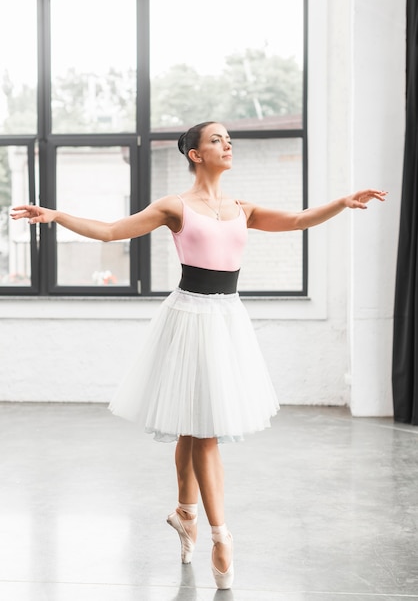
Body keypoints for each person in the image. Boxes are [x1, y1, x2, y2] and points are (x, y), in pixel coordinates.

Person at [11, 121, 387, 590]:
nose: (227, 144)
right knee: (203, 429)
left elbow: (295, 220)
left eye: (229, 139)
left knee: (194, 427)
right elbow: (111, 232)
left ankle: (186, 514)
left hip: (227, 320)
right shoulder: (175, 206)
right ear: (194, 154)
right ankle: (221, 535)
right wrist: (56, 216)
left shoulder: (241, 207)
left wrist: (340, 202)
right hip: (189, 317)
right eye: (217, 139)